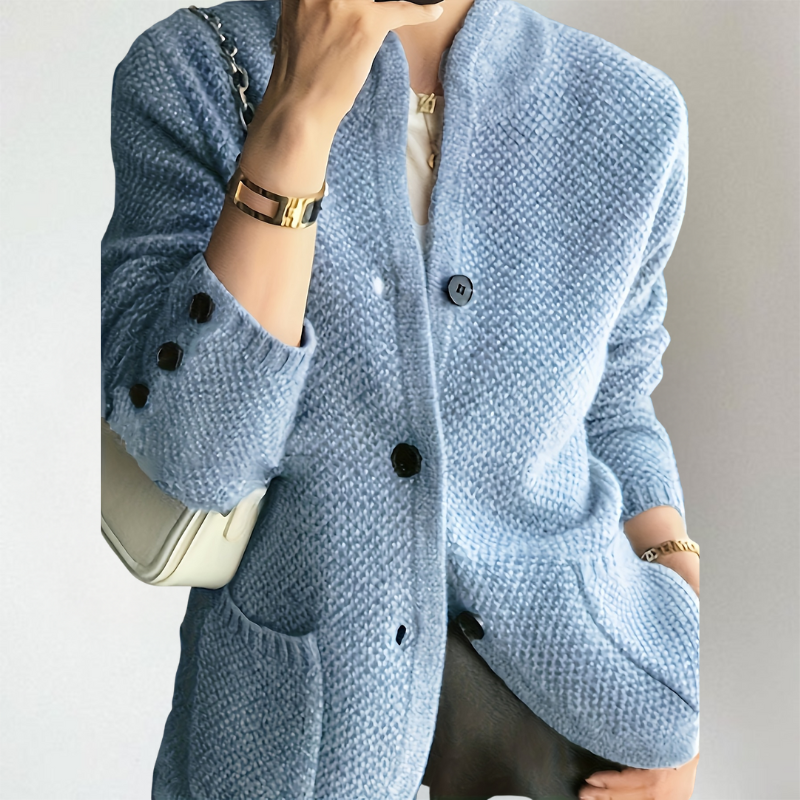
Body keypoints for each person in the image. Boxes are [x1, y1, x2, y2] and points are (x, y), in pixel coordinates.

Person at [101, 0, 701, 797]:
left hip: (585, 732)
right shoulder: (196, 72)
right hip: (302, 750)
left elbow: (616, 407)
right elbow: (196, 462)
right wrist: (297, 118)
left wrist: (676, 669)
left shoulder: (632, 111)